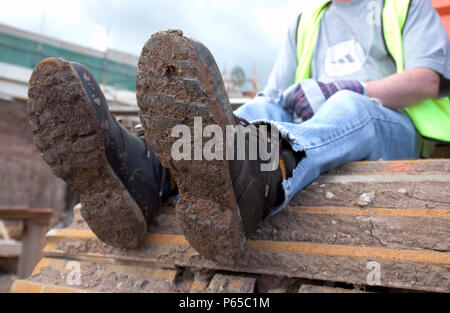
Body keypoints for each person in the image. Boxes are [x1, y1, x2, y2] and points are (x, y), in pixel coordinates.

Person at [27, 0, 449, 264]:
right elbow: (272, 94)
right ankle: (153, 174)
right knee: (262, 105)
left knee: (347, 104)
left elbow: (428, 79)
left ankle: (266, 174)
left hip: (391, 126)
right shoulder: (306, 21)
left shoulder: (406, 5)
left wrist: (347, 86)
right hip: (319, 123)